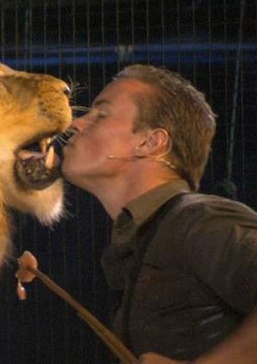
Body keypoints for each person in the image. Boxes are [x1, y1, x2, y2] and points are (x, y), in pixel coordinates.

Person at [61, 64, 257, 363]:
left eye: (100, 114)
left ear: (150, 142)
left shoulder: (198, 220)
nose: (76, 124)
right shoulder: (148, 237)